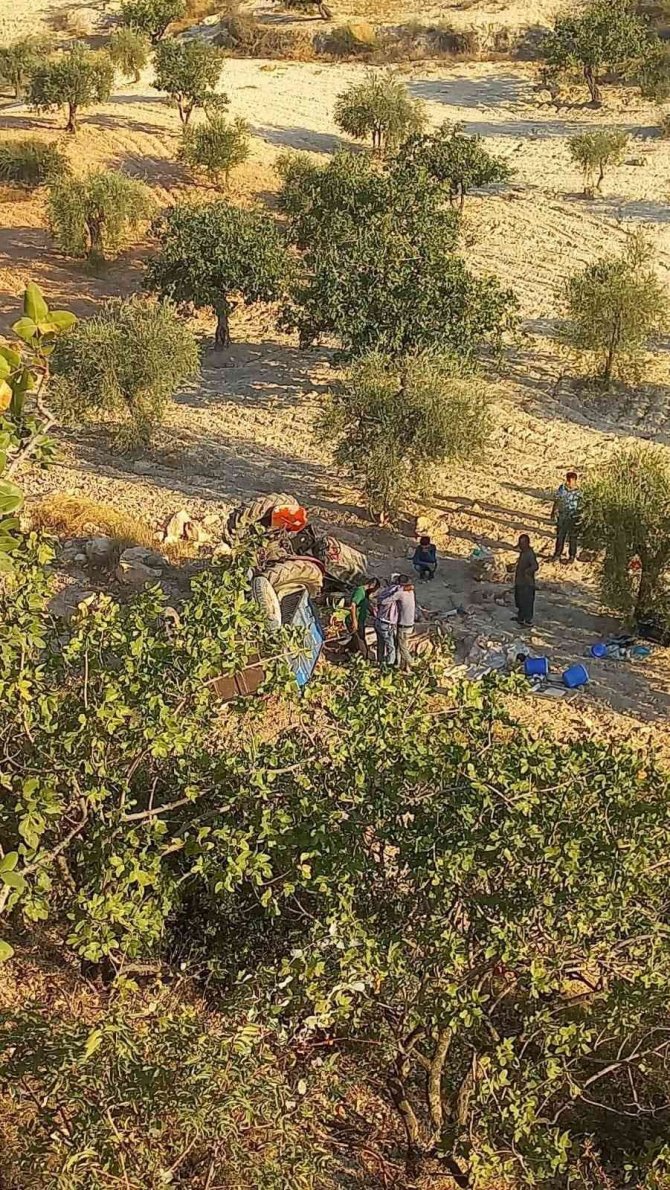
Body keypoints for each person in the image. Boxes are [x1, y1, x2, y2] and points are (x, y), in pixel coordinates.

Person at [374, 576, 416, 669]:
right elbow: (410, 587)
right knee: (397, 644)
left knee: (400, 646)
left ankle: (411, 663)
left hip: (402, 624)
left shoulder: (399, 593)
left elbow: (384, 601)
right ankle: (399, 664)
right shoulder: (410, 592)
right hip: (409, 623)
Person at [551, 470, 582, 564]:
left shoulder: (579, 492)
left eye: (571, 481)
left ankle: (572, 556)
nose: (569, 483)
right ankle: (557, 554)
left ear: (575, 481)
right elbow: (557, 500)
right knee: (560, 536)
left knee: (573, 537)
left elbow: (583, 505)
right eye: (568, 480)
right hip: (562, 516)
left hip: (574, 516)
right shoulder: (562, 488)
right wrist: (554, 511)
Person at [347, 577, 380, 656]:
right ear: (372, 586)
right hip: (356, 619)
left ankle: (349, 649)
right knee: (360, 638)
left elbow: (366, 603)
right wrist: (354, 621)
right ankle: (365, 656)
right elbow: (353, 605)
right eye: (375, 590)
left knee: (356, 636)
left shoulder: (365, 593)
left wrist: (374, 613)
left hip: (360, 618)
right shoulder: (359, 591)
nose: (374, 592)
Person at [514, 534, 538, 627]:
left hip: (527, 583)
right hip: (520, 581)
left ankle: (527, 621)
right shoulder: (523, 552)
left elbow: (535, 566)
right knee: (519, 600)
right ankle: (520, 617)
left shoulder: (530, 554)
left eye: (522, 543)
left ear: (527, 543)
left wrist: (527, 572)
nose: (520, 545)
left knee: (527, 602)